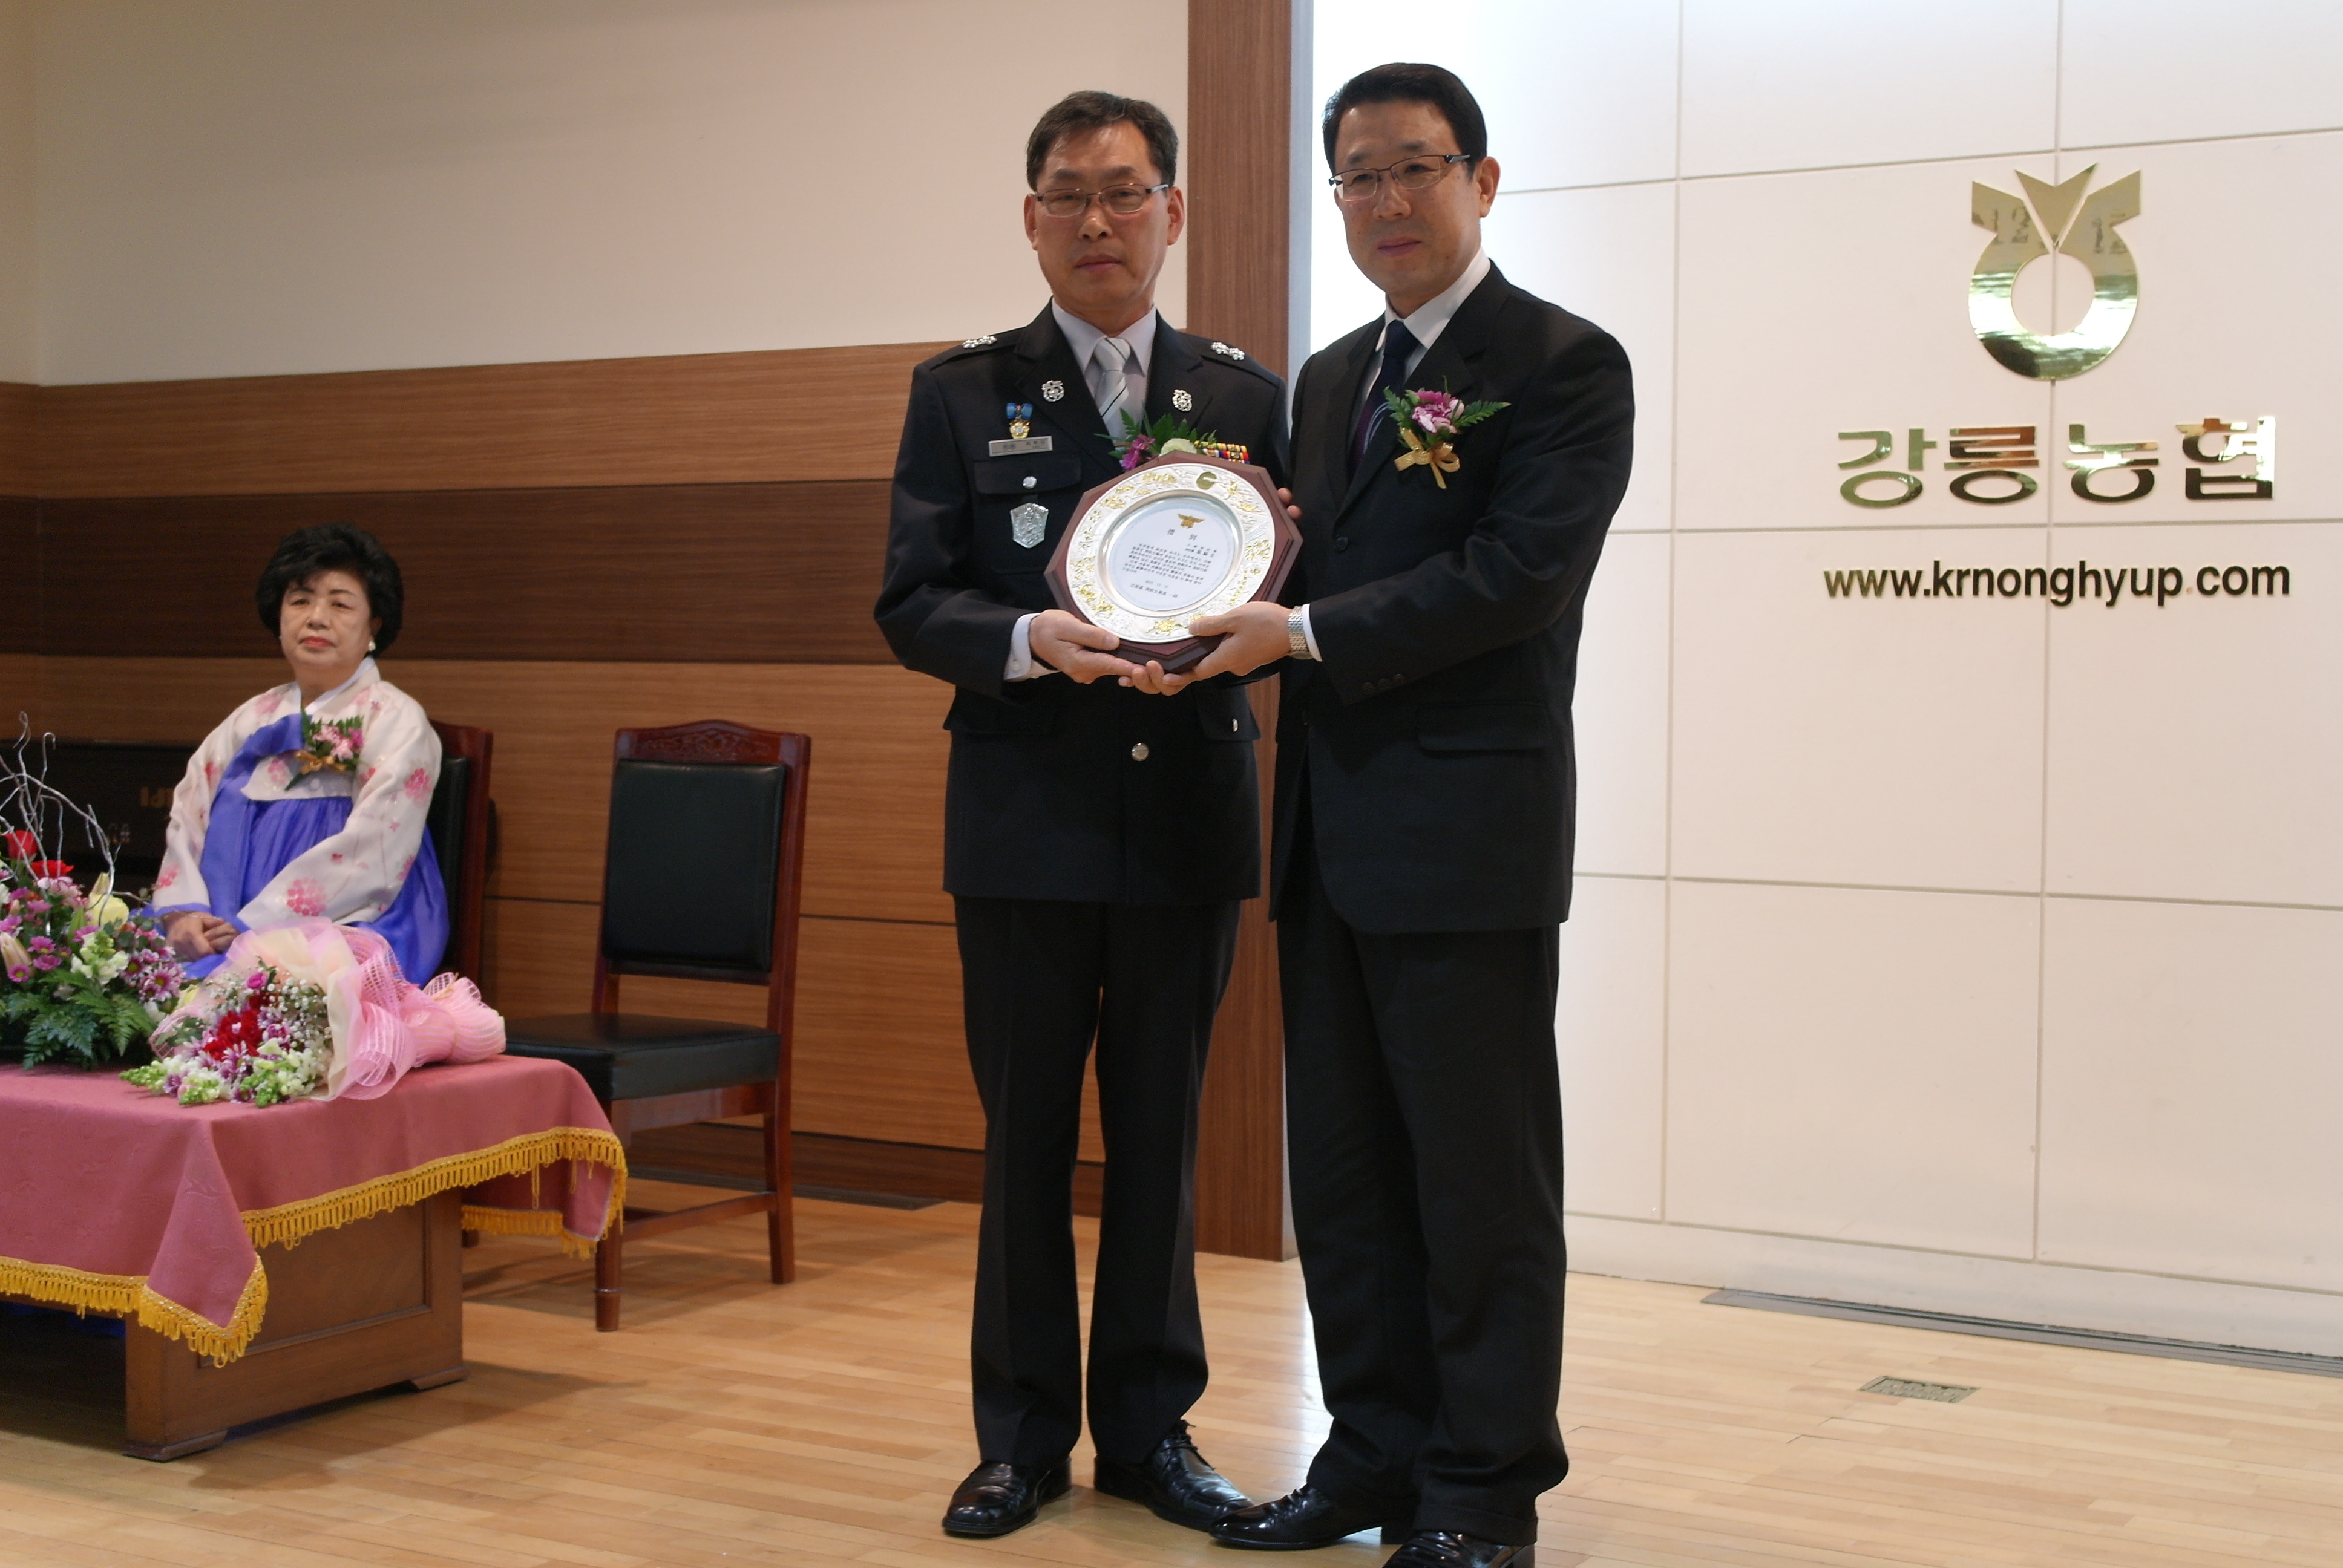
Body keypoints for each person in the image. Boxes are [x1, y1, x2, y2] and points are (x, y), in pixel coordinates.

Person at [1159, 63, 1634, 1568]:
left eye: (1413, 167)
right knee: (1351, 1179)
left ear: (1480, 180)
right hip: (1327, 838)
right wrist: (1202, 562)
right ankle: (1369, 1453)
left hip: (1470, 842)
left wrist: (1295, 632)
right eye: (1357, 175)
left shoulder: (1562, 362)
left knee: (1481, 1186)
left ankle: (1484, 1490)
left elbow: (1516, 579)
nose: (1385, 200)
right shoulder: (1328, 380)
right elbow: (1305, 569)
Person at [873, 90, 1290, 1540]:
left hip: (1185, 815)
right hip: (1025, 818)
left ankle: (1151, 1433)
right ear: (1031, 218)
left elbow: (1288, 591)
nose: (1096, 220)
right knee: (1027, 1140)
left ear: (1172, 211)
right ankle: (1019, 1438)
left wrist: (1250, 634)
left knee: (1162, 1140)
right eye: (1068, 194)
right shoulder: (960, 392)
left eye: (1123, 192)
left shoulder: (1244, 398)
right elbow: (912, 599)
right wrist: (1021, 640)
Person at [153, 524, 449, 984]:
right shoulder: (250, 718)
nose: (316, 618)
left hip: (347, 923)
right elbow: (189, 815)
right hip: (220, 923)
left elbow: (374, 850)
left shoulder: (396, 719)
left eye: (340, 604)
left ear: (374, 625)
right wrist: (185, 912)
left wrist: (259, 926)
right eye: (300, 601)